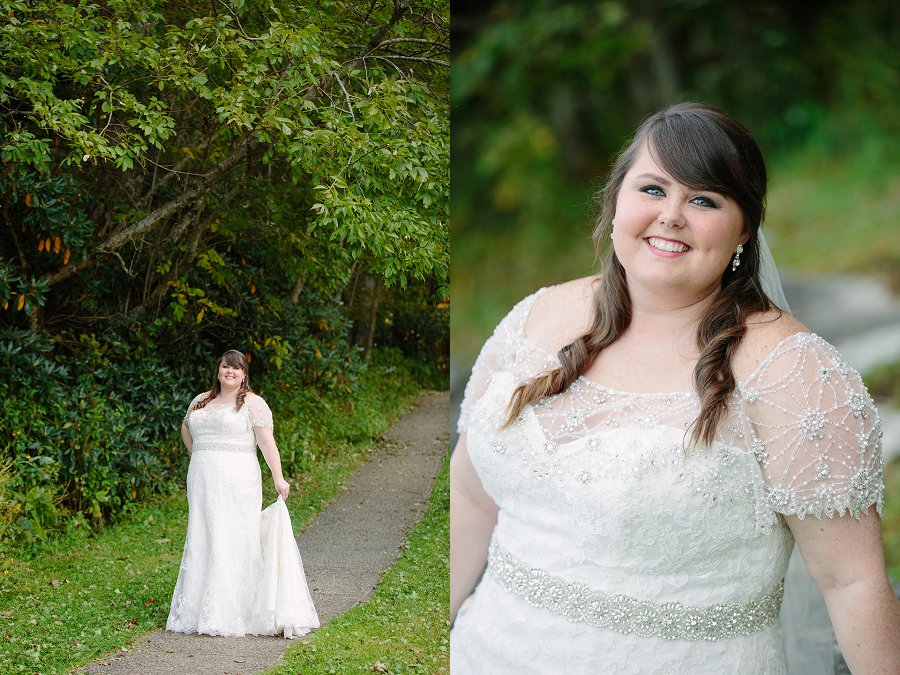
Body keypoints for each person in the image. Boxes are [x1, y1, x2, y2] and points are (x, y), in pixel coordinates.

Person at [450, 103, 900, 673]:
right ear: (616, 201)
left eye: (704, 199)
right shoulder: (535, 317)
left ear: (744, 230)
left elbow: (851, 581)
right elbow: (470, 495)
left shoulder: (795, 374)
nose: (672, 216)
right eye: (653, 189)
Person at [166, 349, 319, 638]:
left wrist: (279, 477)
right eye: (226, 366)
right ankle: (199, 609)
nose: (230, 372)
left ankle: (233, 610)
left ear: (244, 374)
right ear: (219, 369)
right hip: (202, 478)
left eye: (236, 368)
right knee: (203, 535)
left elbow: (266, 442)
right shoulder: (201, 400)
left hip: (237, 479)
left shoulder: (253, 403)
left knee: (232, 537)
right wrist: (197, 453)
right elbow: (186, 427)